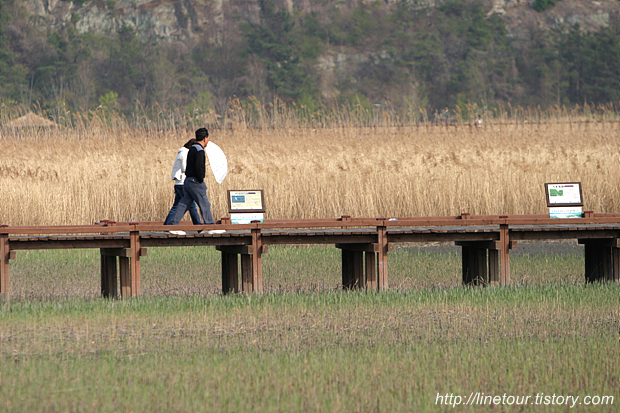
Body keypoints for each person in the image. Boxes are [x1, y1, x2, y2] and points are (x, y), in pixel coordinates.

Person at [166, 127, 225, 235]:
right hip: (195, 182)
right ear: (205, 139)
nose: (208, 140)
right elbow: (198, 168)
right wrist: (201, 179)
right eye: (208, 138)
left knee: (183, 204)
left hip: (187, 181)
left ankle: (173, 225)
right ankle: (211, 226)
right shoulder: (200, 150)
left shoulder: (192, 148)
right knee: (204, 203)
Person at [163, 138, 202, 226]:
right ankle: (198, 225)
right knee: (192, 206)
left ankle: (167, 225)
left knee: (176, 206)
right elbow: (185, 168)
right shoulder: (184, 154)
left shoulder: (183, 153)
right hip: (182, 183)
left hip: (180, 183)